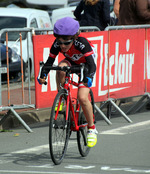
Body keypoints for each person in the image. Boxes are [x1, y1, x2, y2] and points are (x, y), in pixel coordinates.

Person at [39, 17, 98, 147]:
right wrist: (43, 75)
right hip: (71, 61)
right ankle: (62, 97)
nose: (62, 46)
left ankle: (91, 128)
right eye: (60, 43)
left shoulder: (82, 43)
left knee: (82, 98)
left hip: (86, 64)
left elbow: (92, 65)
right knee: (60, 68)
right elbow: (49, 62)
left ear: (74, 38)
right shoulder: (57, 44)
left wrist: (88, 77)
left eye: (66, 43)